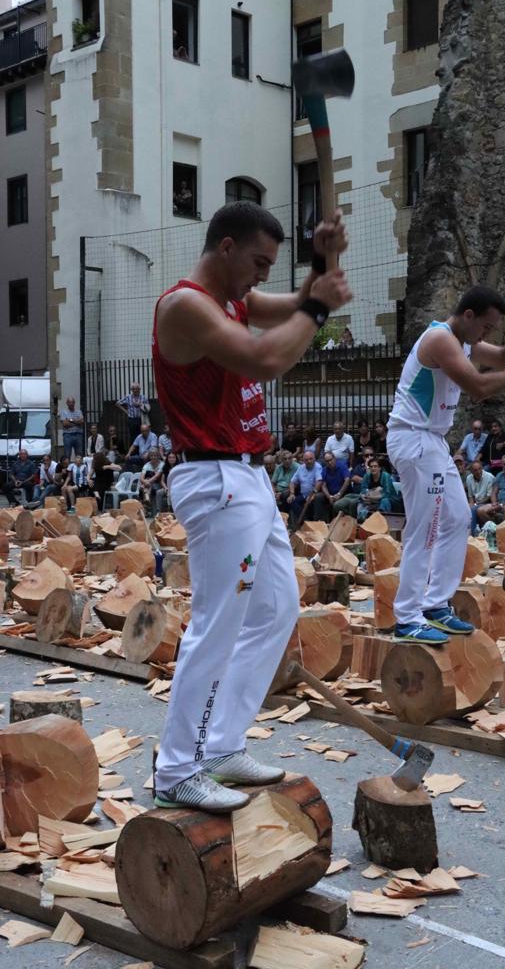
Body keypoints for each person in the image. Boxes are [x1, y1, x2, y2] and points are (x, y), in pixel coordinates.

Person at [151, 199, 351, 811]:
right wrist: (319, 302)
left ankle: (220, 746)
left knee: (276, 606)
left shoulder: (236, 296)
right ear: (226, 248)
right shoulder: (187, 305)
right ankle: (176, 768)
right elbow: (266, 356)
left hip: (249, 477)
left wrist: (321, 261)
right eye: (258, 261)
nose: (264, 275)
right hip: (214, 479)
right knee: (218, 623)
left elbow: (291, 301)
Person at [387, 284, 505, 643]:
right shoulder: (440, 339)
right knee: (424, 528)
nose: (486, 335)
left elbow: (504, 355)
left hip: (432, 441)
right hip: (414, 437)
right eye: (486, 327)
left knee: (459, 518)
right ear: (468, 316)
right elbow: (478, 385)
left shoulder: (463, 341)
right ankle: (408, 617)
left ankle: (435, 605)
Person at [477, 453, 505, 525]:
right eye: (504, 464)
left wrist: (502, 505)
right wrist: (494, 503)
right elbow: (494, 493)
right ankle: (495, 528)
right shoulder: (499, 475)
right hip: (499, 503)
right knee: (480, 510)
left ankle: (503, 530)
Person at [288, 449, 323, 524]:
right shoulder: (301, 468)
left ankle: (310, 523)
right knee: (292, 501)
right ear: (303, 461)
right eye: (306, 460)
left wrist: (313, 494)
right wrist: (292, 493)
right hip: (303, 495)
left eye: (311, 459)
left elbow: (319, 481)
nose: (309, 461)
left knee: (313, 502)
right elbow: (292, 482)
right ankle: (305, 522)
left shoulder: (317, 467)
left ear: (314, 459)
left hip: (314, 494)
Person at [357, 457, 397, 522]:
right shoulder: (366, 476)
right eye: (371, 467)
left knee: (385, 501)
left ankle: (381, 521)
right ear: (369, 468)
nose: (373, 468)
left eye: (375, 466)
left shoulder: (385, 476)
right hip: (371, 499)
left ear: (379, 468)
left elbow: (387, 494)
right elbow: (363, 490)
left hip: (388, 500)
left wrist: (374, 498)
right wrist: (363, 496)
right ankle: (361, 521)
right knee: (360, 502)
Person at [314, 451, 350, 522]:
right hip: (330, 495)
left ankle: (335, 522)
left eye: (331, 460)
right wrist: (329, 496)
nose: (329, 463)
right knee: (318, 497)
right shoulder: (324, 470)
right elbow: (323, 485)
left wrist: (339, 494)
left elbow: (347, 480)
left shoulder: (342, 465)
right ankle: (319, 522)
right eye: (327, 461)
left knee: (337, 504)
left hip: (343, 493)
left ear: (334, 458)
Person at [465, 459, 494, 536]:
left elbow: (489, 496)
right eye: (475, 470)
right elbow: (470, 496)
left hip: (487, 502)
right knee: (466, 508)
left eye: (479, 469)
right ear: (471, 471)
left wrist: (475, 504)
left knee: (473, 509)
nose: (478, 472)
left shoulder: (489, 477)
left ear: (482, 468)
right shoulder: (469, 478)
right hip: (476, 502)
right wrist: (471, 504)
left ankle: (472, 533)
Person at [140, 448, 165, 513]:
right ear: (149, 456)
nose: (153, 457)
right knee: (147, 482)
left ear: (158, 456)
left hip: (158, 484)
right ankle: (147, 498)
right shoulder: (146, 465)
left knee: (146, 484)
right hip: (149, 485)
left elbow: (156, 476)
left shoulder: (162, 464)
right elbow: (141, 478)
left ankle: (146, 506)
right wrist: (145, 482)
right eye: (151, 455)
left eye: (155, 455)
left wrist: (145, 483)